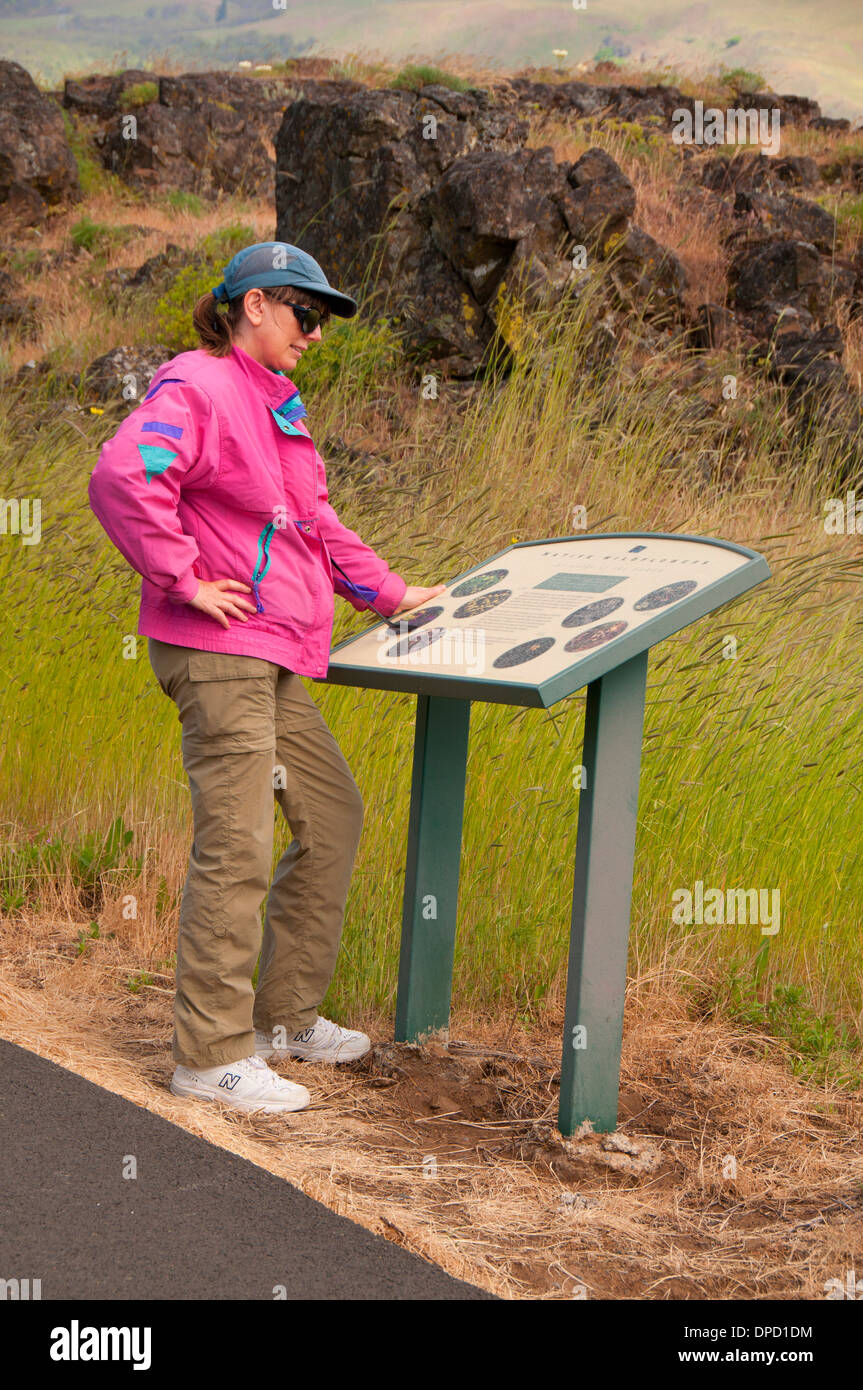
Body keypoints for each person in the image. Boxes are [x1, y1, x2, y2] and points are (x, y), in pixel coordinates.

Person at [88, 240, 445, 1116]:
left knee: (330, 818)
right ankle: (210, 1059)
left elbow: (313, 523)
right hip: (220, 654)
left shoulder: (277, 403)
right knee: (238, 842)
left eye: (320, 321)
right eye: (305, 314)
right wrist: (178, 574)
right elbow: (123, 476)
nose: (316, 334)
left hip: (274, 652)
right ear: (255, 304)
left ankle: (279, 1022)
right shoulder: (202, 386)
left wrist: (393, 594)